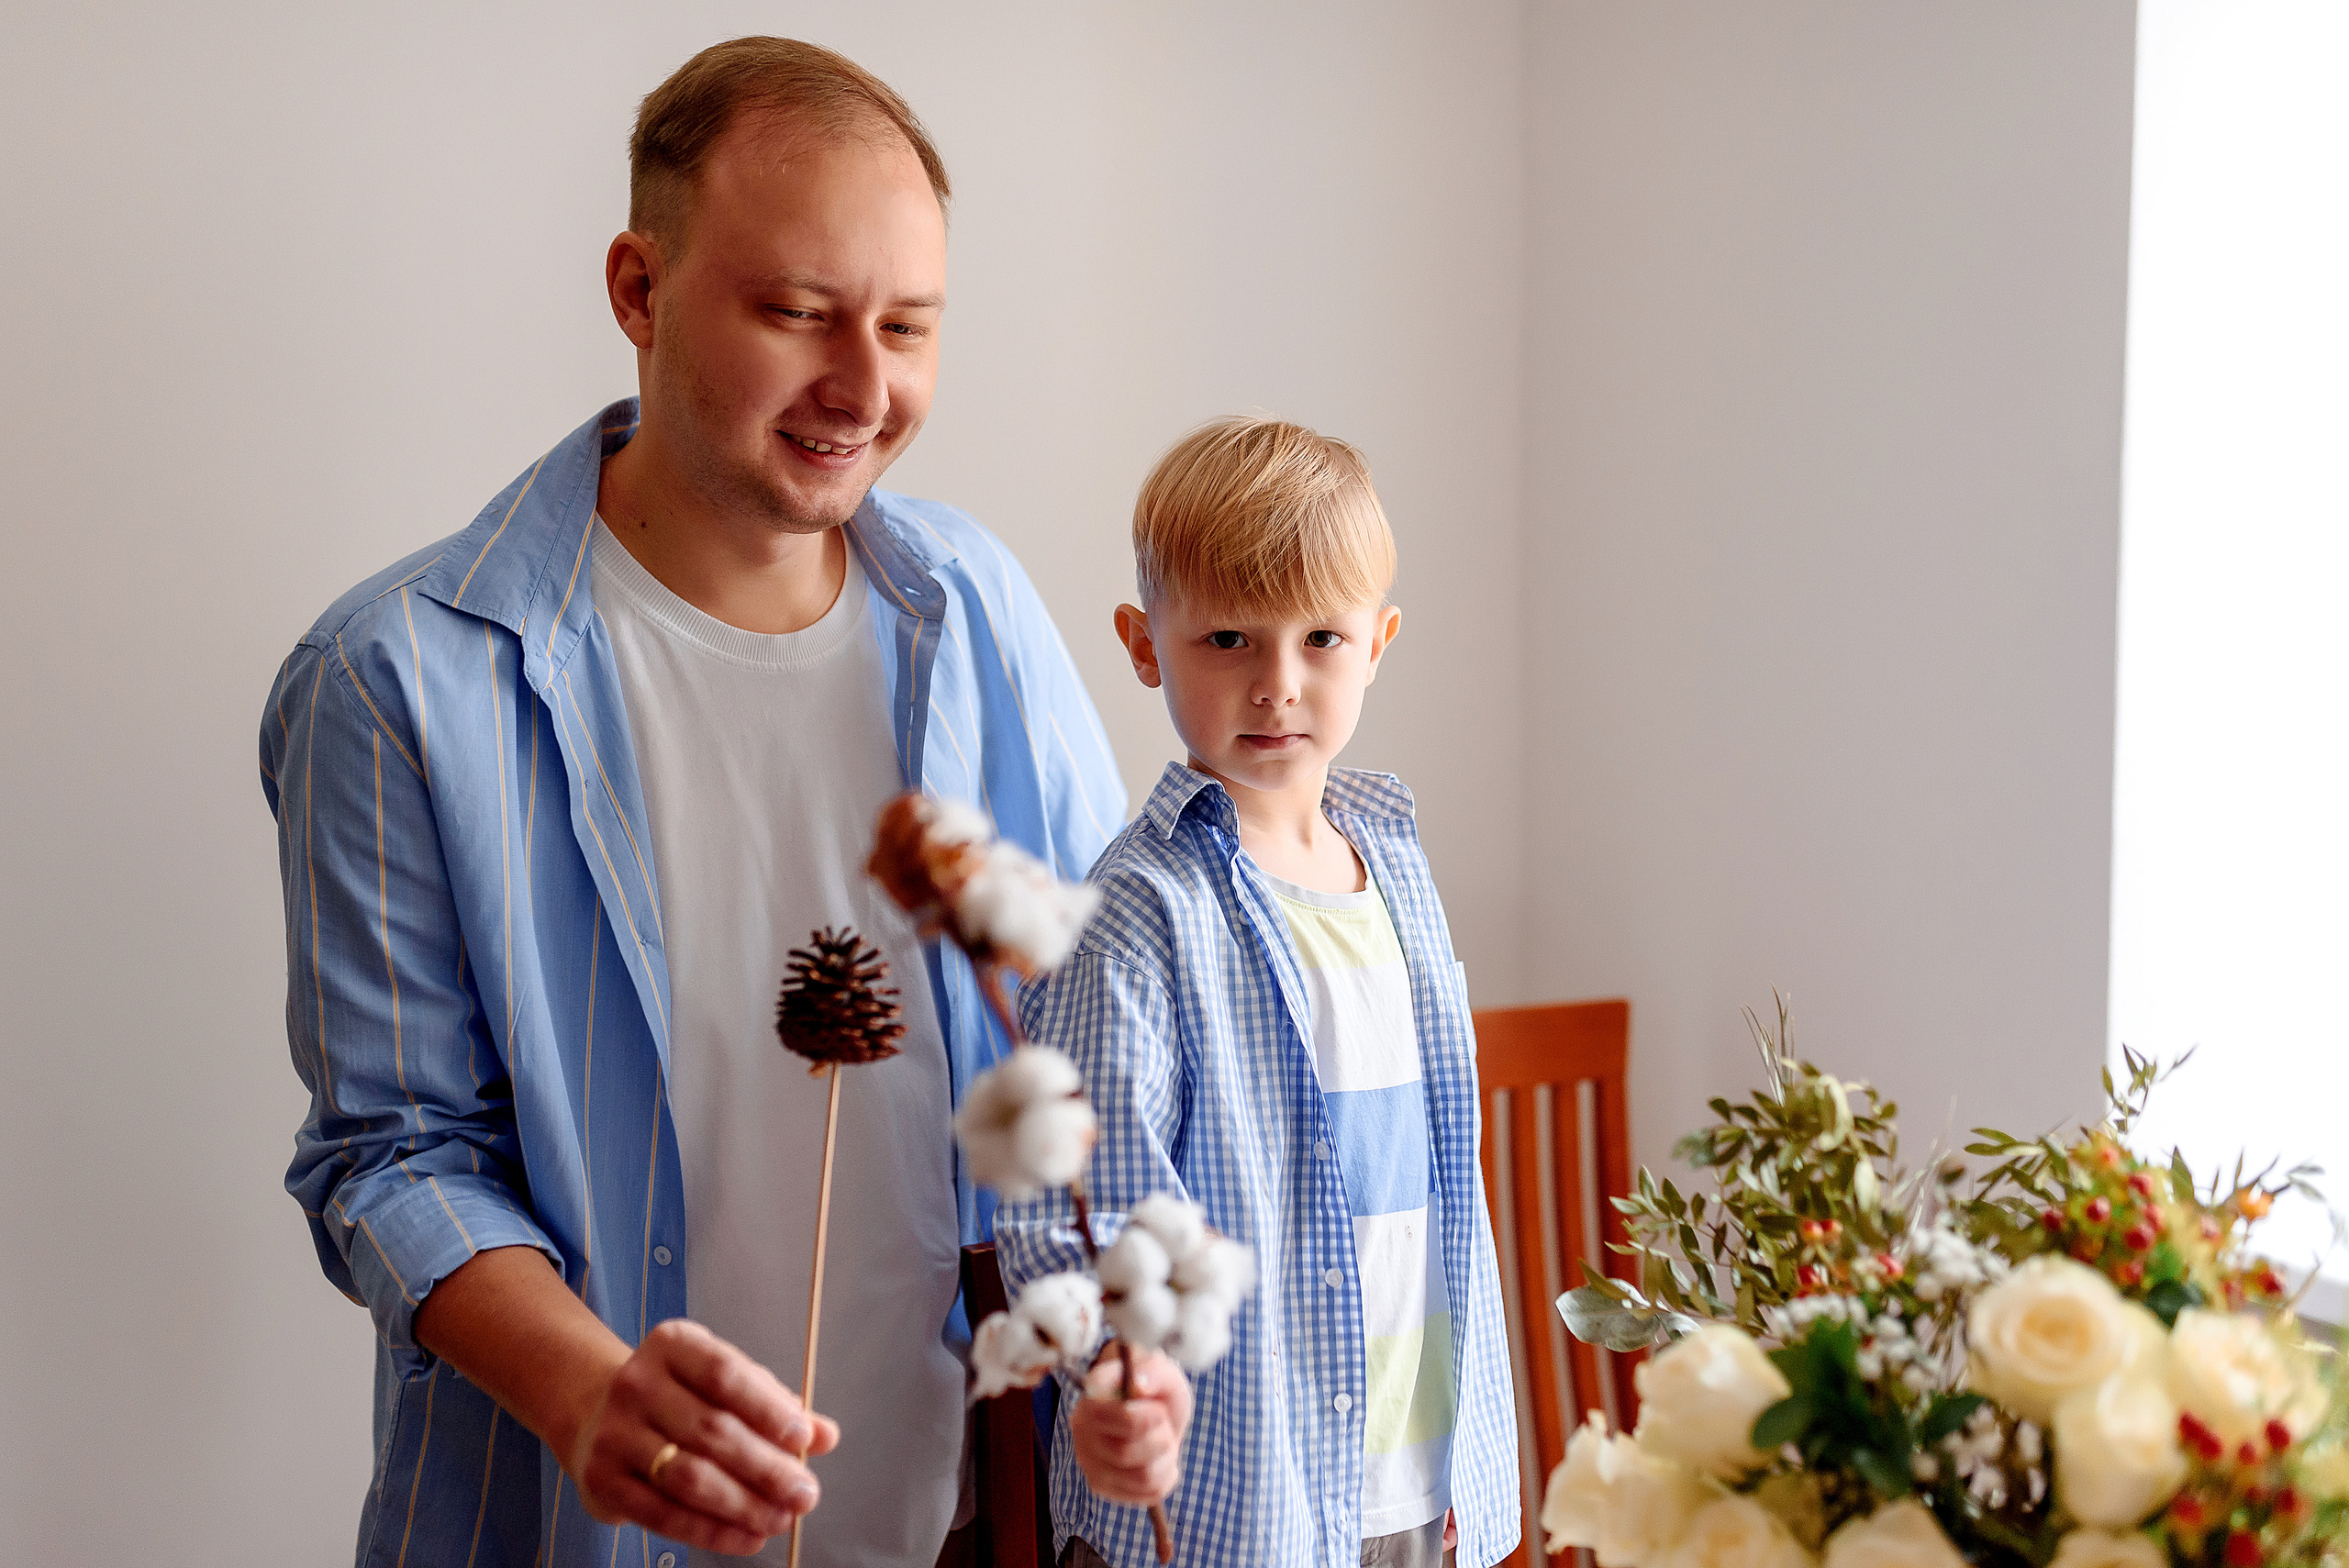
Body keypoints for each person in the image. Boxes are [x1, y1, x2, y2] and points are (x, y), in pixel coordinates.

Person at [258, 38, 1186, 1567]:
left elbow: (1104, 1040)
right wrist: (589, 1391)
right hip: (564, 1527)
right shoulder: (395, 680)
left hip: (961, 1519)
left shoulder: (982, 610)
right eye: (797, 314)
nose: (866, 387)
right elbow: (394, 1152)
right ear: (638, 288)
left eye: (908, 325)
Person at [996, 418, 1522, 1568]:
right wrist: (1109, 1378)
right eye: (1228, 636)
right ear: (1145, 644)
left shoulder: (1398, 867)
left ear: (1377, 641)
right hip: (1232, 1499)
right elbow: (1067, 1199)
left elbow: (1436, 1174)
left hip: (1414, 1479)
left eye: (1320, 638)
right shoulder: (1140, 912)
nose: (1277, 685)